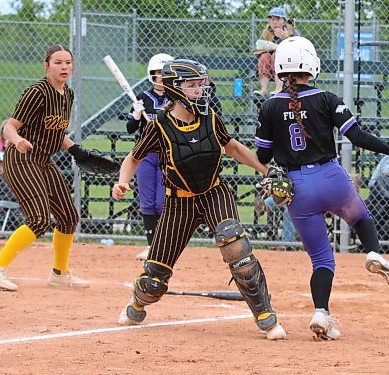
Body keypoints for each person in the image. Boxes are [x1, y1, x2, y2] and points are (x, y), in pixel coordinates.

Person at [255, 36, 389, 340]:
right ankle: (372, 252)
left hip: (297, 189)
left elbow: (262, 156)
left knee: (321, 260)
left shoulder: (269, 107)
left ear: (280, 69)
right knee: (360, 219)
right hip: (331, 177)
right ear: (310, 64)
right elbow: (357, 136)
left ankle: (321, 313)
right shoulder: (327, 98)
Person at [112, 59, 286, 340]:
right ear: (175, 89)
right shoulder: (159, 126)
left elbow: (232, 147)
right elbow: (133, 159)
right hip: (179, 202)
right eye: (192, 86)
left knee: (235, 246)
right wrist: (122, 182)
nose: (200, 90)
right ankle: (137, 304)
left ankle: (265, 314)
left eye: (201, 85)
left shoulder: (210, 118)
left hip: (213, 193)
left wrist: (266, 170)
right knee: (154, 279)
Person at [0, 44, 94, 291]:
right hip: (22, 158)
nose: (64, 67)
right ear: (46, 66)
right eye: (57, 62)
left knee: (68, 217)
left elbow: (57, 131)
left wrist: (75, 150)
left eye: (67, 62)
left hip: (43, 160)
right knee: (39, 219)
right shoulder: (36, 92)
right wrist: (18, 139)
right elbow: (8, 127)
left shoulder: (68, 94)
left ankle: (60, 274)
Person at [126, 53, 173, 260]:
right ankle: (151, 247)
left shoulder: (175, 99)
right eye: (157, 74)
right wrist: (136, 115)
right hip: (145, 155)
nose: (160, 78)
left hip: (167, 155)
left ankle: (163, 245)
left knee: (162, 202)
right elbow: (130, 128)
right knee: (147, 202)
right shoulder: (142, 98)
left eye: (164, 74)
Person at [253, 7, 300, 97]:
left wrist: (286, 38)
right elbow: (261, 45)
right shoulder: (267, 31)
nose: (274, 22)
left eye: (278, 19)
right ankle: (264, 89)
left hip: (287, 61)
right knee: (264, 57)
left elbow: (299, 47)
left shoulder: (291, 30)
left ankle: (279, 88)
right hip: (269, 60)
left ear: (284, 21)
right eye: (272, 19)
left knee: (276, 55)